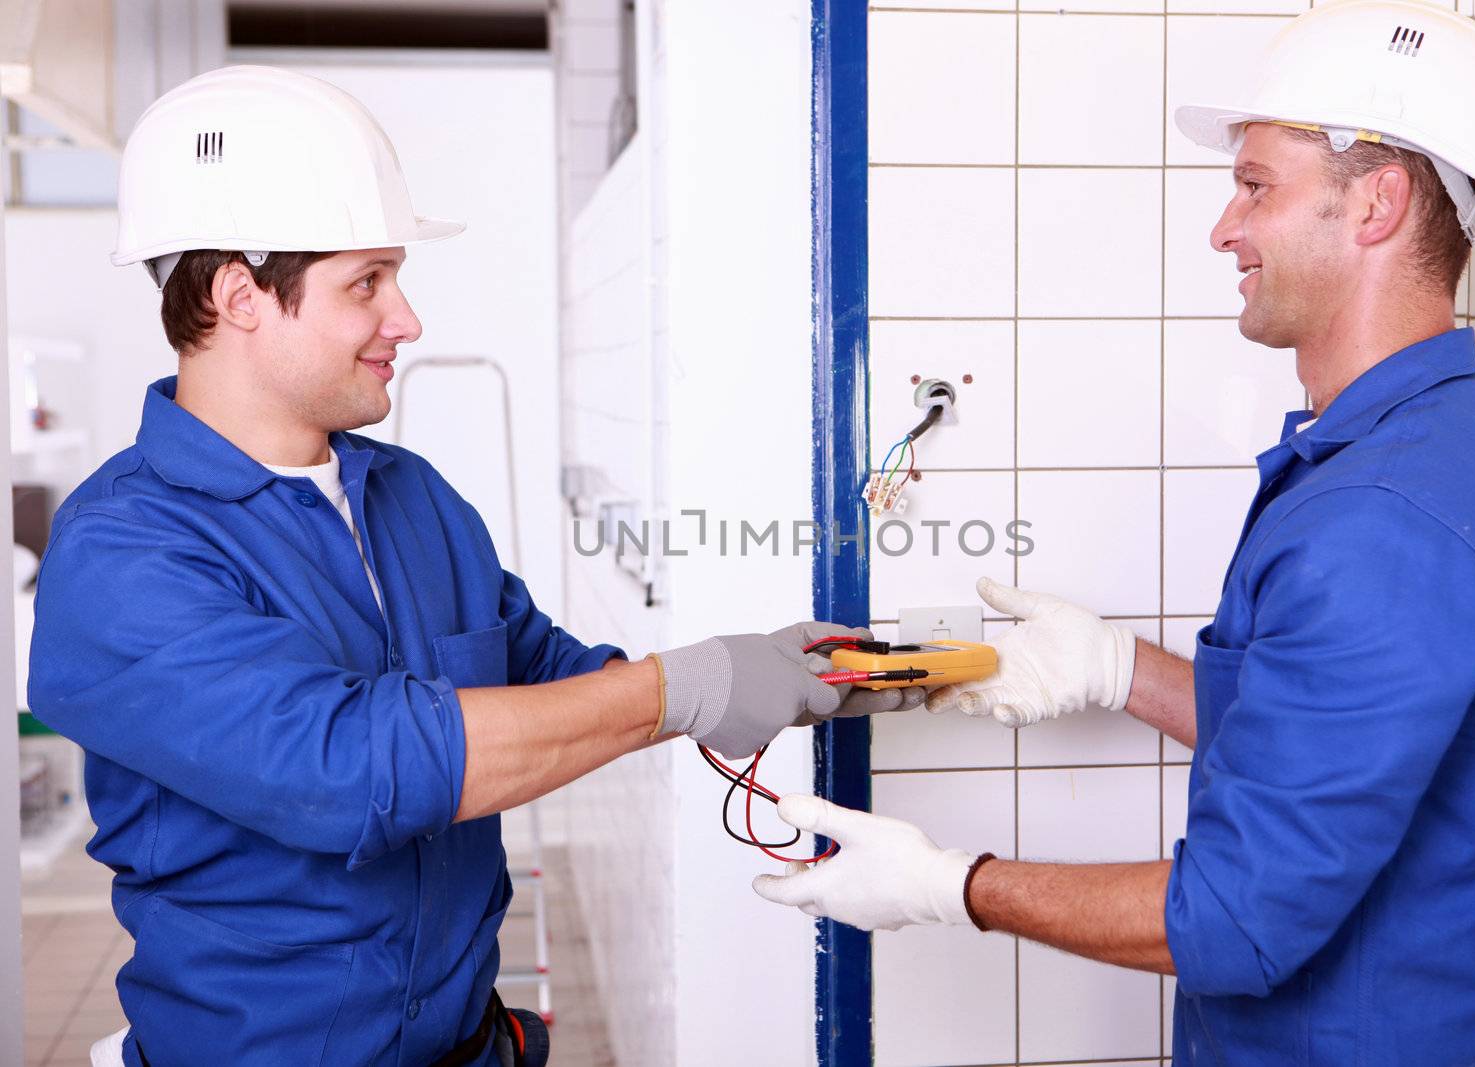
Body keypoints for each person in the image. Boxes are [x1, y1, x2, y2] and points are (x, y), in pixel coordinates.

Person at [27, 65, 919, 1067]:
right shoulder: (124, 550)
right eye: (366, 281)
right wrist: (691, 684)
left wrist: (780, 673)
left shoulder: (413, 498)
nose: (405, 318)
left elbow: (554, 673)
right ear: (240, 294)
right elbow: (355, 766)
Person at [754, 3, 1475, 1063]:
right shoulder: (1421, 465)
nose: (1223, 229)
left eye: (1255, 186)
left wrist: (944, 885)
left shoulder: (1388, 522)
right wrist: (1113, 666)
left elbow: (1237, 917)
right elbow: (1328, 741)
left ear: (1374, 202)